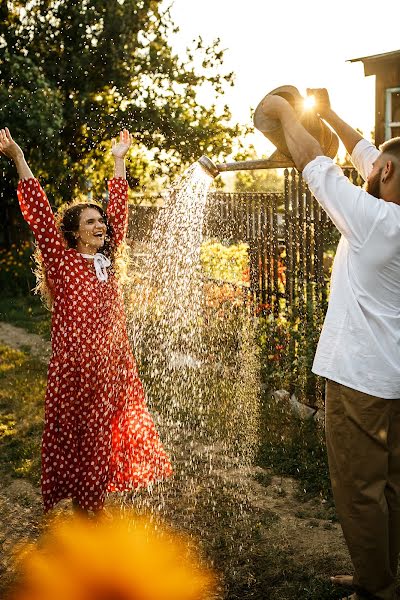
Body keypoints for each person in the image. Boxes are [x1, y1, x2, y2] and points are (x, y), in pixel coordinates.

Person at [260, 90, 400, 600]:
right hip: (396, 377)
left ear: (385, 172)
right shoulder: (389, 205)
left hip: (362, 378)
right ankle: (381, 572)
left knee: (359, 490)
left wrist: (281, 114)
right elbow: (366, 152)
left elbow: (317, 168)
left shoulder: (376, 221)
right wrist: (328, 115)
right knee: (390, 485)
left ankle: (376, 590)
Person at [0, 127, 172, 516]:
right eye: (91, 221)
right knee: (77, 439)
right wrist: (19, 158)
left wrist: (119, 160)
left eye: (102, 221)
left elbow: (120, 212)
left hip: (111, 367)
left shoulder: (107, 263)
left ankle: (90, 506)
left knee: (102, 438)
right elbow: (41, 215)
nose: (101, 226)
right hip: (75, 371)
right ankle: (86, 507)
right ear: (74, 231)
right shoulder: (62, 262)